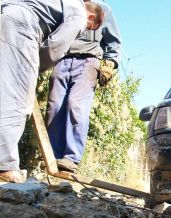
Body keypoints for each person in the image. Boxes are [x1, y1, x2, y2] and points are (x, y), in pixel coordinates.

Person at [0, 0, 105, 183]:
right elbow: (56, 45)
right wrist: (32, 68)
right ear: (91, 17)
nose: (84, 31)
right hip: (20, 28)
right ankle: (5, 165)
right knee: (17, 97)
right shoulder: (80, 13)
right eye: (89, 27)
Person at [46, 0, 121, 173]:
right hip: (62, 59)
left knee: (76, 105)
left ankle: (71, 158)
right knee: (54, 106)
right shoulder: (65, 5)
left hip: (88, 61)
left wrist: (110, 62)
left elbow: (114, 41)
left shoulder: (103, 9)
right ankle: (52, 156)